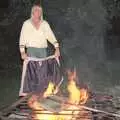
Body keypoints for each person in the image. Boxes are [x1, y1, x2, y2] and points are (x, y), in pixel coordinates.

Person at [19, 2, 61, 97]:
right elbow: (22, 38)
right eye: (36, 10)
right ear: (32, 12)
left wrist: (57, 47)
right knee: (33, 75)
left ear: (41, 13)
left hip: (42, 51)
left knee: (43, 74)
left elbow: (51, 36)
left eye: (39, 10)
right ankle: (32, 96)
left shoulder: (44, 24)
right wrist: (22, 52)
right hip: (31, 51)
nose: (37, 12)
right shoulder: (26, 24)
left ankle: (43, 95)